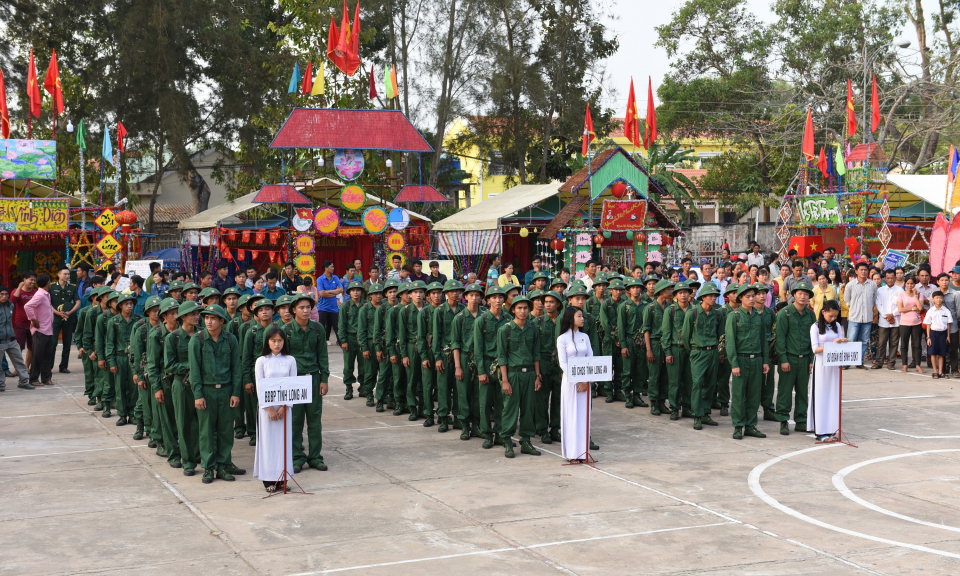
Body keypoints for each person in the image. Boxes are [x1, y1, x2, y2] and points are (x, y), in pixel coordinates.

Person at [283, 293, 331, 473]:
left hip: (313, 379)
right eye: (301, 307)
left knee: (314, 420)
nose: (305, 311)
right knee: (295, 421)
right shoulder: (286, 330)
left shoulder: (318, 329)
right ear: (293, 310)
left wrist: (324, 379)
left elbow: (323, 356)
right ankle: (296, 457)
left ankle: (315, 457)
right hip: (294, 381)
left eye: (308, 307)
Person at [254, 326, 297, 493]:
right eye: (273, 341)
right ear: (268, 342)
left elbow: (293, 385)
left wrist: (285, 407)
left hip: (285, 408)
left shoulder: (290, 360)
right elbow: (260, 385)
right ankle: (268, 479)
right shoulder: (262, 361)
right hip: (268, 409)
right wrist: (269, 408)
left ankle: (282, 478)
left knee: (283, 442)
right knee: (268, 443)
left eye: (280, 340)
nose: (277, 344)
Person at [497, 296, 541, 458]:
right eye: (519, 308)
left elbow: (536, 354)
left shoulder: (534, 328)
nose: (523, 311)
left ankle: (526, 441)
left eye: (525, 308)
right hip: (512, 374)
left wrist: (537, 376)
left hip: (529, 374)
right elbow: (502, 357)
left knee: (529, 408)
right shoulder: (505, 329)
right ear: (513, 310)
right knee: (510, 409)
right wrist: (505, 381)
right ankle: (507, 441)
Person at [725, 283, 769, 439]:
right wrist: (734, 364)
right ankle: (738, 426)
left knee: (754, 395)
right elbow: (730, 342)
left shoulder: (759, 315)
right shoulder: (734, 316)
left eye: (753, 296)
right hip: (741, 359)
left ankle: (751, 425)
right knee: (738, 395)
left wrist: (765, 361)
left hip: (756, 359)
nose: (752, 299)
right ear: (740, 298)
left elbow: (763, 339)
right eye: (748, 296)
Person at [775, 280, 816, 435]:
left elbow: (814, 338)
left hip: (805, 359)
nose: (803, 297)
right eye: (800, 293)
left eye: (806, 294)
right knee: (785, 392)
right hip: (789, 358)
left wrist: (812, 359)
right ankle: (783, 420)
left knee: (802, 391)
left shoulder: (810, 314)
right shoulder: (785, 313)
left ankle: (801, 420)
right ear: (793, 295)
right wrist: (783, 360)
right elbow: (780, 339)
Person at [147, 298, 183, 467]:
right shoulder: (156, 335)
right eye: (172, 313)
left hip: (181, 379)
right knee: (166, 418)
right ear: (164, 317)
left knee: (182, 417)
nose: (176, 316)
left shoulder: (184, 332)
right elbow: (152, 365)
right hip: (164, 379)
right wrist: (156, 388)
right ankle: (170, 450)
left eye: (177, 312)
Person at [558, 306, 594, 462]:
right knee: (571, 416)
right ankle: (572, 453)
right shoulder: (562, 339)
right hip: (571, 382)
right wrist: (578, 380)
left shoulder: (584, 337)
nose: (582, 319)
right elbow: (563, 363)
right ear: (571, 318)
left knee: (583, 416)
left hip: (585, 383)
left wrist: (586, 381)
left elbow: (590, 358)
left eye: (583, 316)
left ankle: (582, 452)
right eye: (579, 316)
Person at [809, 300, 847, 441]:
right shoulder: (815, 327)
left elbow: (838, 342)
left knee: (833, 397)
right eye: (830, 315)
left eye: (835, 316)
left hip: (834, 365)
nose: (833, 319)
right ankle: (820, 431)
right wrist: (831, 345)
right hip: (821, 366)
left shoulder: (837, 325)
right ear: (823, 311)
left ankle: (832, 428)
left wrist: (843, 342)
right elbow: (815, 349)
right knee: (821, 397)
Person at [451, 282, 483, 445]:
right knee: (463, 392)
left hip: (480, 358)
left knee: (479, 393)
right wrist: (457, 366)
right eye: (471, 295)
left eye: (477, 295)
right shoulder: (460, 318)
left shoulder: (485, 315)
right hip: (464, 357)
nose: (474, 298)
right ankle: (464, 425)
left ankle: (476, 424)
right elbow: (455, 343)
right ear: (466, 297)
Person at [432, 280, 466, 434]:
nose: (456, 293)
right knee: (444, 388)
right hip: (445, 354)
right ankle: (444, 418)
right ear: (446, 293)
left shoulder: (464, 309)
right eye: (452, 291)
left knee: (459, 387)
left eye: (458, 291)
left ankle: (459, 418)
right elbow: (436, 337)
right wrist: (438, 357)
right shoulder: (439, 311)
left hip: (460, 354)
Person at [130, 296, 162, 445]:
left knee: (156, 404)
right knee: (143, 402)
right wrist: (138, 374)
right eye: (154, 311)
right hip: (145, 369)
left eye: (159, 310)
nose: (157, 313)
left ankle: (154, 431)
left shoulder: (166, 326)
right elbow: (136, 354)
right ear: (148, 312)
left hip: (159, 370)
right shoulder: (141, 328)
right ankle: (141, 427)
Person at [107, 293, 143, 426]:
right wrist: (112, 361)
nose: (129, 306)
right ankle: (122, 414)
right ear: (120, 305)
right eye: (126, 303)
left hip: (134, 357)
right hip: (120, 357)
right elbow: (110, 342)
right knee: (120, 386)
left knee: (134, 386)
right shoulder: (114, 321)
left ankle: (133, 413)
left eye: (131, 303)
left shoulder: (139, 320)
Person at [663, 281, 694, 421]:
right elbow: (666, 333)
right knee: (674, 381)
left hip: (691, 350)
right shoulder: (670, 310)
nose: (683, 295)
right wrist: (668, 352)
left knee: (689, 380)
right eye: (680, 293)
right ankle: (674, 408)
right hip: (676, 349)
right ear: (675, 295)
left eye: (685, 292)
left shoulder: (694, 309)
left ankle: (686, 407)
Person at [642, 279, 673, 415]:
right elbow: (646, 330)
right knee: (654, 375)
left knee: (665, 375)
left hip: (667, 344)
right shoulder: (650, 308)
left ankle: (662, 402)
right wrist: (649, 350)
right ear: (661, 291)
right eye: (668, 289)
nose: (671, 291)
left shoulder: (669, 307)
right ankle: (654, 402)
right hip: (654, 344)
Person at [844, 262, 878, 368]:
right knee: (851, 340)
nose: (863, 272)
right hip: (854, 317)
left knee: (864, 342)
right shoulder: (850, 285)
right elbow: (847, 300)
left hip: (867, 317)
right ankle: (847, 362)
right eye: (861, 269)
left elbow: (873, 300)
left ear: (868, 271)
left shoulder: (872, 285)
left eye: (865, 270)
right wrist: (855, 308)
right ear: (856, 271)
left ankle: (859, 361)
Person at [372, 281, 398, 412]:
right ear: (386, 294)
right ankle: (380, 400)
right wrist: (377, 348)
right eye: (390, 292)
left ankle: (392, 399)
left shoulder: (401, 307)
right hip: (384, 347)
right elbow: (376, 330)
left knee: (396, 375)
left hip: (398, 346)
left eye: (395, 292)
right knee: (383, 374)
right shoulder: (381, 309)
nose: (393, 294)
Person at [24, 273, 54, 387]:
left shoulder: (46, 294)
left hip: (48, 329)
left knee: (47, 355)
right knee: (37, 355)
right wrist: (33, 320)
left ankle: (46, 378)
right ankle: (33, 378)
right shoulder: (40, 294)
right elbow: (27, 306)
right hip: (40, 330)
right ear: (47, 282)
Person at [338, 281, 365, 399]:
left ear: (361, 292)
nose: (356, 292)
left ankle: (363, 388)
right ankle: (348, 388)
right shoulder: (346, 305)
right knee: (348, 366)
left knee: (364, 365)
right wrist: (343, 340)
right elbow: (341, 324)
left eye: (358, 290)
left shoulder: (366, 305)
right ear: (349, 292)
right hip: (350, 338)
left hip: (363, 339)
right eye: (353, 290)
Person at [50, 265, 79, 374]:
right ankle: (49, 366)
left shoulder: (72, 287)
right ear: (58, 274)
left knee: (67, 343)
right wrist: (58, 313)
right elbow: (48, 303)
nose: (67, 276)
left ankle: (63, 366)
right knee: (53, 343)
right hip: (55, 318)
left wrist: (70, 312)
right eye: (65, 274)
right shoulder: (52, 287)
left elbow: (77, 302)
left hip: (68, 318)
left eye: (68, 274)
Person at [356, 282, 383, 404]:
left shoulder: (385, 307)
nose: (378, 296)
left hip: (383, 344)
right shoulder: (365, 309)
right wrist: (364, 348)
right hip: (370, 343)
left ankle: (383, 395)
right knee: (370, 372)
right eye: (375, 294)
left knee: (383, 372)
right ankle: (369, 394)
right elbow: (361, 330)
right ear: (370, 295)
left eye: (380, 293)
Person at [0, 286, 30, 390]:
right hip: (0, 341)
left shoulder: (10, 305)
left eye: (6, 294)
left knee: (19, 362)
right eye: (2, 294)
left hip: (12, 340)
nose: (4, 297)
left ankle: (24, 382)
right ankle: (1, 384)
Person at [873, 269, 902, 370]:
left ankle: (891, 363)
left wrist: (893, 315)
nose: (890, 280)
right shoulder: (880, 290)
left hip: (896, 321)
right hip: (884, 321)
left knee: (894, 343)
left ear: (895, 278)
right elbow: (878, 305)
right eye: (888, 278)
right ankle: (879, 362)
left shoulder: (900, 290)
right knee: (881, 343)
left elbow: (901, 305)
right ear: (884, 278)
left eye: (892, 278)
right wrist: (887, 316)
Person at [897, 276, 924, 373]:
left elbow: (920, 307)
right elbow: (900, 309)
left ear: (915, 284)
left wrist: (915, 295)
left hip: (917, 322)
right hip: (904, 323)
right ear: (905, 284)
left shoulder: (920, 294)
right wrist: (912, 308)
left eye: (912, 283)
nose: (910, 285)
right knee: (904, 344)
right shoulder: (901, 294)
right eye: (908, 283)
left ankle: (918, 365)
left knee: (917, 345)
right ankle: (905, 365)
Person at [12, 272, 37, 373]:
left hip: (33, 324)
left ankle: (26, 367)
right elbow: (12, 301)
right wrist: (19, 288)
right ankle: (18, 368)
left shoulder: (36, 292)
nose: (33, 282)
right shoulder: (16, 291)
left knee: (31, 347)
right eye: (31, 280)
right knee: (19, 347)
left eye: (35, 280)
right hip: (20, 324)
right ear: (24, 280)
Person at [924, 291, 953, 378]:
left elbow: (948, 324)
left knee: (942, 353)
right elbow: (928, 325)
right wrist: (928, 337)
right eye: (936, 298)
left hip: (943, 334)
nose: (938, 300)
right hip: (933, 333)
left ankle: (941, 372)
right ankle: (935, 371)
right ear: (933, 299)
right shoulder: (931, 311)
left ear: (943, 299)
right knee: (933, 353)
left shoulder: (946, 311)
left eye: (940, 298)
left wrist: (948, 336)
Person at [316, 260, 344, 344]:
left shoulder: (335, 277)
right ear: (326, 268)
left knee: (337, 326)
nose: (333, 268)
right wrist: (334, 291)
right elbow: (321, 293)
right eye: (332, 266)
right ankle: (320, 342)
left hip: (334, 307)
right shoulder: (320, 279)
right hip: (322, 307)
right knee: (321, 326)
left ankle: (340, 342)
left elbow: (341, 289)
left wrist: (327, 292)